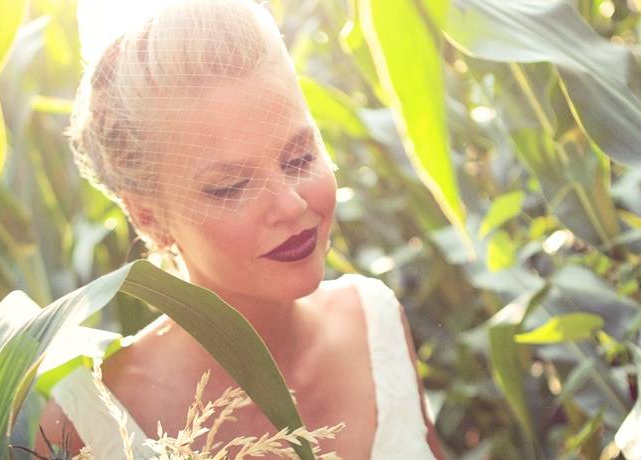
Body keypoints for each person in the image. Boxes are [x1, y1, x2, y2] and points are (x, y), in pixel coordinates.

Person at [36, 0, 444, 458]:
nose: (290, 205)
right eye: (231, 188)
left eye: (300, 157)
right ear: (149, 216)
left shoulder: (374, 321)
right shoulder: (88, 424)